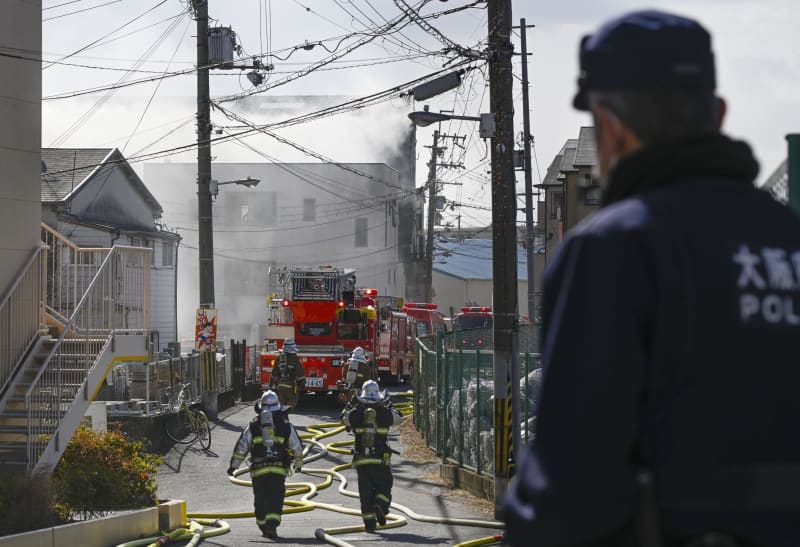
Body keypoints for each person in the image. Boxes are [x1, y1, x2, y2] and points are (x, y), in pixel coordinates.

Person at [504, 10, 800, 547]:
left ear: (611, 128)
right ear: (718, 113)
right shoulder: (790, 235)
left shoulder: (615, 247)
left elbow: (571, 487)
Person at [228, 390, 304, 539]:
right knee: (276, 496)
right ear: (278, 406)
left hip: (258, 469)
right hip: (278, 469)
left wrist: (233, 466)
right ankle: (272, 526)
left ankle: (263, 525)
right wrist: (298, 464)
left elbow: (242, 446)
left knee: (260, 497)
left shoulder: (254, 424)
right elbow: (297, 446)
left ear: (260, 407)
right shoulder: (285, 424)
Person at [341, 379, 403, 532]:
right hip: (380, 459)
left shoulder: (356, 411)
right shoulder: (384, 411)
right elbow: (399, 419)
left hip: (361, 460)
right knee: (385, 484)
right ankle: (380, 505)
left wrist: (352, 404)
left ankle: (369, 524)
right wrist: (387, 405)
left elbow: (344, 419)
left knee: (365, 493)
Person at [269, 337, 305, 409]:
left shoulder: (278, 358)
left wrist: (271, 383)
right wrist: (302, 383)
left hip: (280, 385)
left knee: (281, 404)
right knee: (291, 403)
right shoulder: (295, 358)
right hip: (290, 385)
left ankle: (282, 417)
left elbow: (274, 372)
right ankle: (285, 416)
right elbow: (299, 372)